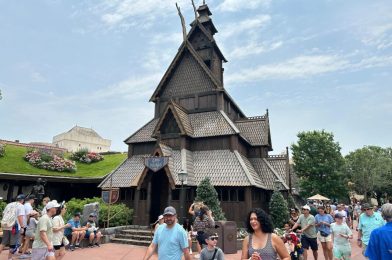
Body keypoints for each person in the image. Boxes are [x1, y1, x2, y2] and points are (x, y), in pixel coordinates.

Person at [0, 194, 26, 260]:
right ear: (22, 200)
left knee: (3, 242)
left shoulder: (9, 204)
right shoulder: (21, 206)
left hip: (6, 225)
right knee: (13, 244)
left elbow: (3, 214)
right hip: (14, 227)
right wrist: (22, 227)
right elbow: (20, 217)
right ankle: (10, 258)